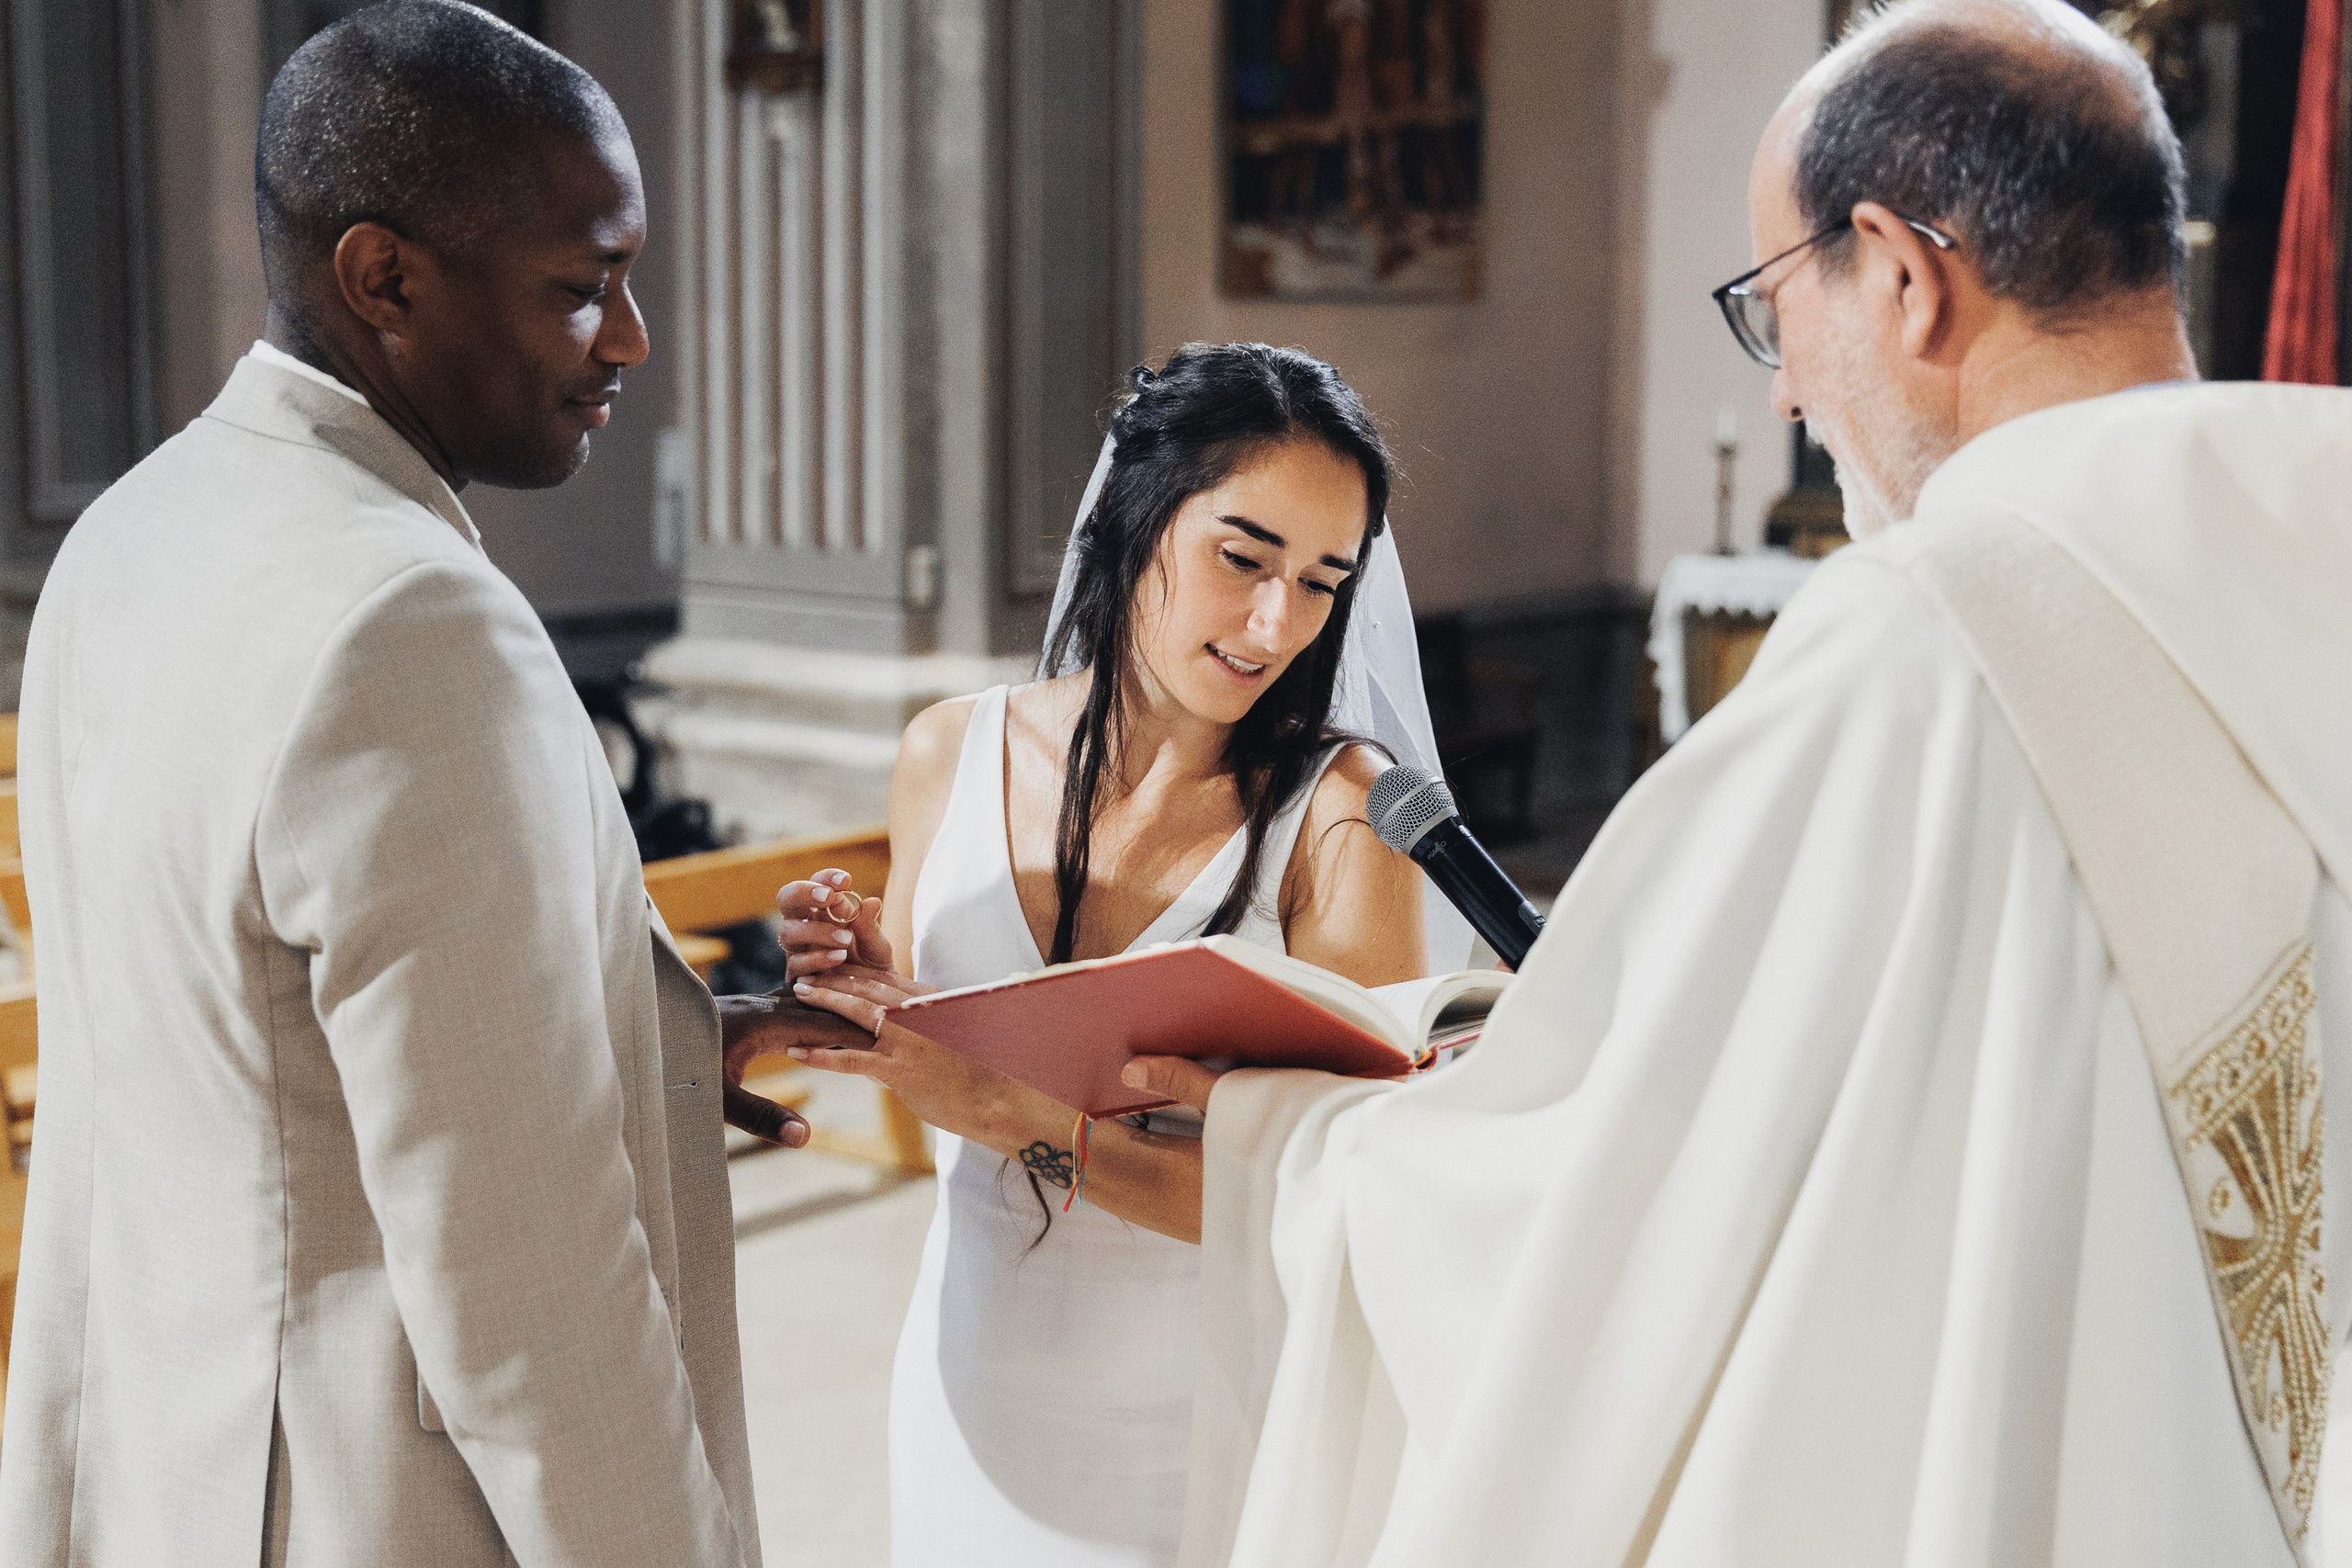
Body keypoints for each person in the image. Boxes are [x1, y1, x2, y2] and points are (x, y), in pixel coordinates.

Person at [1119, 3, 2352, 1564]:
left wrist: (1288, 1143)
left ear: (1905, 278)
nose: (1783, 392)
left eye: (1776, 309)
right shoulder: (2319, 539)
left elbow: (1615, 1209)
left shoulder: (1926, 643)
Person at [0, 6, 856, 1564]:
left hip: (159, 1457)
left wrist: (630, 1058)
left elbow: (228, 1038)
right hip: (354, 1503)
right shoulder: (411, 623)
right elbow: (528, 1292)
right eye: (583, 287)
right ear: (385, 278)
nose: (630, 340)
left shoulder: (128, 531)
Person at [762, 344, 1465, 1567]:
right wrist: (878, 985)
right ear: (1135, 520)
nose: (1273, 623)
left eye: (1319, 582)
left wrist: (983, 1098)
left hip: (1195, 1427)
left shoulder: (1343, 817)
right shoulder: (951, 752)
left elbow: (1331, 1202)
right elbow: (949, 1047)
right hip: (969, 1380)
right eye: (1241, 559)